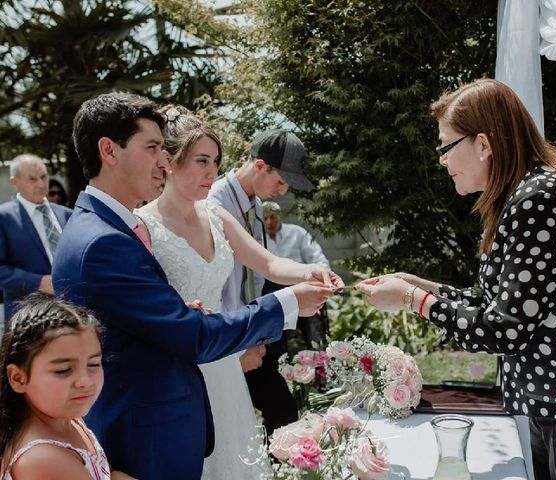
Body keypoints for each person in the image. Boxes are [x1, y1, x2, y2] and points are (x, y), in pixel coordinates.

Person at [357, 78, 556, 480]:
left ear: (484, 145)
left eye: (445, 146)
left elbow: (504, 330)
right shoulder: (527, 195)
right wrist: (416, 286)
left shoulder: (543, 199)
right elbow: (498, 302)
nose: (440, 160)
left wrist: (411, 299)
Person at [52, 92, 335, 480]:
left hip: (181, 394)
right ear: (109, 150)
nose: (162, 158)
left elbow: (142, 314)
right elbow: (185, 335)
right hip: (148, 422)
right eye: (152, 147)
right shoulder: (106, 240)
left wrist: (180, 310)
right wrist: (286, 304)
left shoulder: (108, 227)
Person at [135, 105, 342, 479]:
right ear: (169, 160)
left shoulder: (216, 215)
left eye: (215, 161)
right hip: (182, 365)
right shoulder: (143, 226)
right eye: (201, 160)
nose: (211, 171)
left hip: (225, 362)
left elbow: (269, 264)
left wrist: (312, 271)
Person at [208, 129, 315, 436]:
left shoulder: (253, 204)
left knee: (281, 413)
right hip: (227, 335)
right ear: (259, 166)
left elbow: (261, 267)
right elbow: (216, 285)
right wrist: (238, 346)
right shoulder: (214, 204)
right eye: (281, 181)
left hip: (253, 325)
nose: (283, 191)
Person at [0, 294, 133, 480]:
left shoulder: (70, 419)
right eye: (64, 370)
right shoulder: (43, 459)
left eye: (94, 364)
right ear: (18, 378)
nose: (84, 381)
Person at [0, 154, 72, 320]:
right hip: (28, 318)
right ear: (14, 182)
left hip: (71, 312)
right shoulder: (4, 217)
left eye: (43, 177)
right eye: (32, 179)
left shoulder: (67, 214)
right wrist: (39, 283)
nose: (40, 184)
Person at [263, 200, 331, 348]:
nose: (269, 221)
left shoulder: (297, 232)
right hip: (272, 292)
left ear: (280, 216)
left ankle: (320, 361)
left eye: (272, 217)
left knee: (315, 337)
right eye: (265, 218)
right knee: (275, 344)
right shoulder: (257, 240)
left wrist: (325, 280)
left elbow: (318, 258)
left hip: (302, 285)